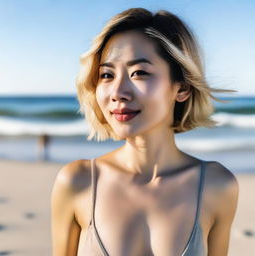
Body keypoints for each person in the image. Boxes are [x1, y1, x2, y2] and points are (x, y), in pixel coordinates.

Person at [51, 8, 239, 256]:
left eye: (138, 72)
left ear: (181, 88)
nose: (117, 92)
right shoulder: (77, 182)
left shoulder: (217, 186)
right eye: (107, 75)